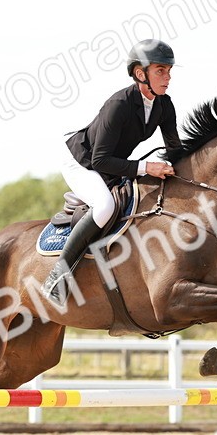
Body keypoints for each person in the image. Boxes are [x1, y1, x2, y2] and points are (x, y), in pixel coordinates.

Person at [42, 39, 183, 304]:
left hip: (109, 160)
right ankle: (57, 277)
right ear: (141, 74)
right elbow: (100, 160)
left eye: (169, 71)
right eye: (160, 71)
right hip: (81, 160)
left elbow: (176, 149)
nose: (168, 77)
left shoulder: (165, 105)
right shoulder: (118, 104)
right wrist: (146, 167)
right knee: (105, 205)